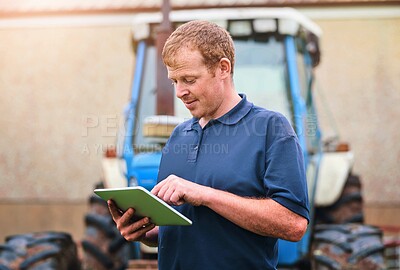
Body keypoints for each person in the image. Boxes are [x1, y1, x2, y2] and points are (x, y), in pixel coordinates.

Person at [108, 20, 309, 269]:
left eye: (189, 79)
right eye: (174, 81)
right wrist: (144, 232)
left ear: (223, 68)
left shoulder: (270, 129)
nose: (180, 91)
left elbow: (294, 224)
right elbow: (187, 229)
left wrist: (204, 194)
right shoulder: (178, 137)